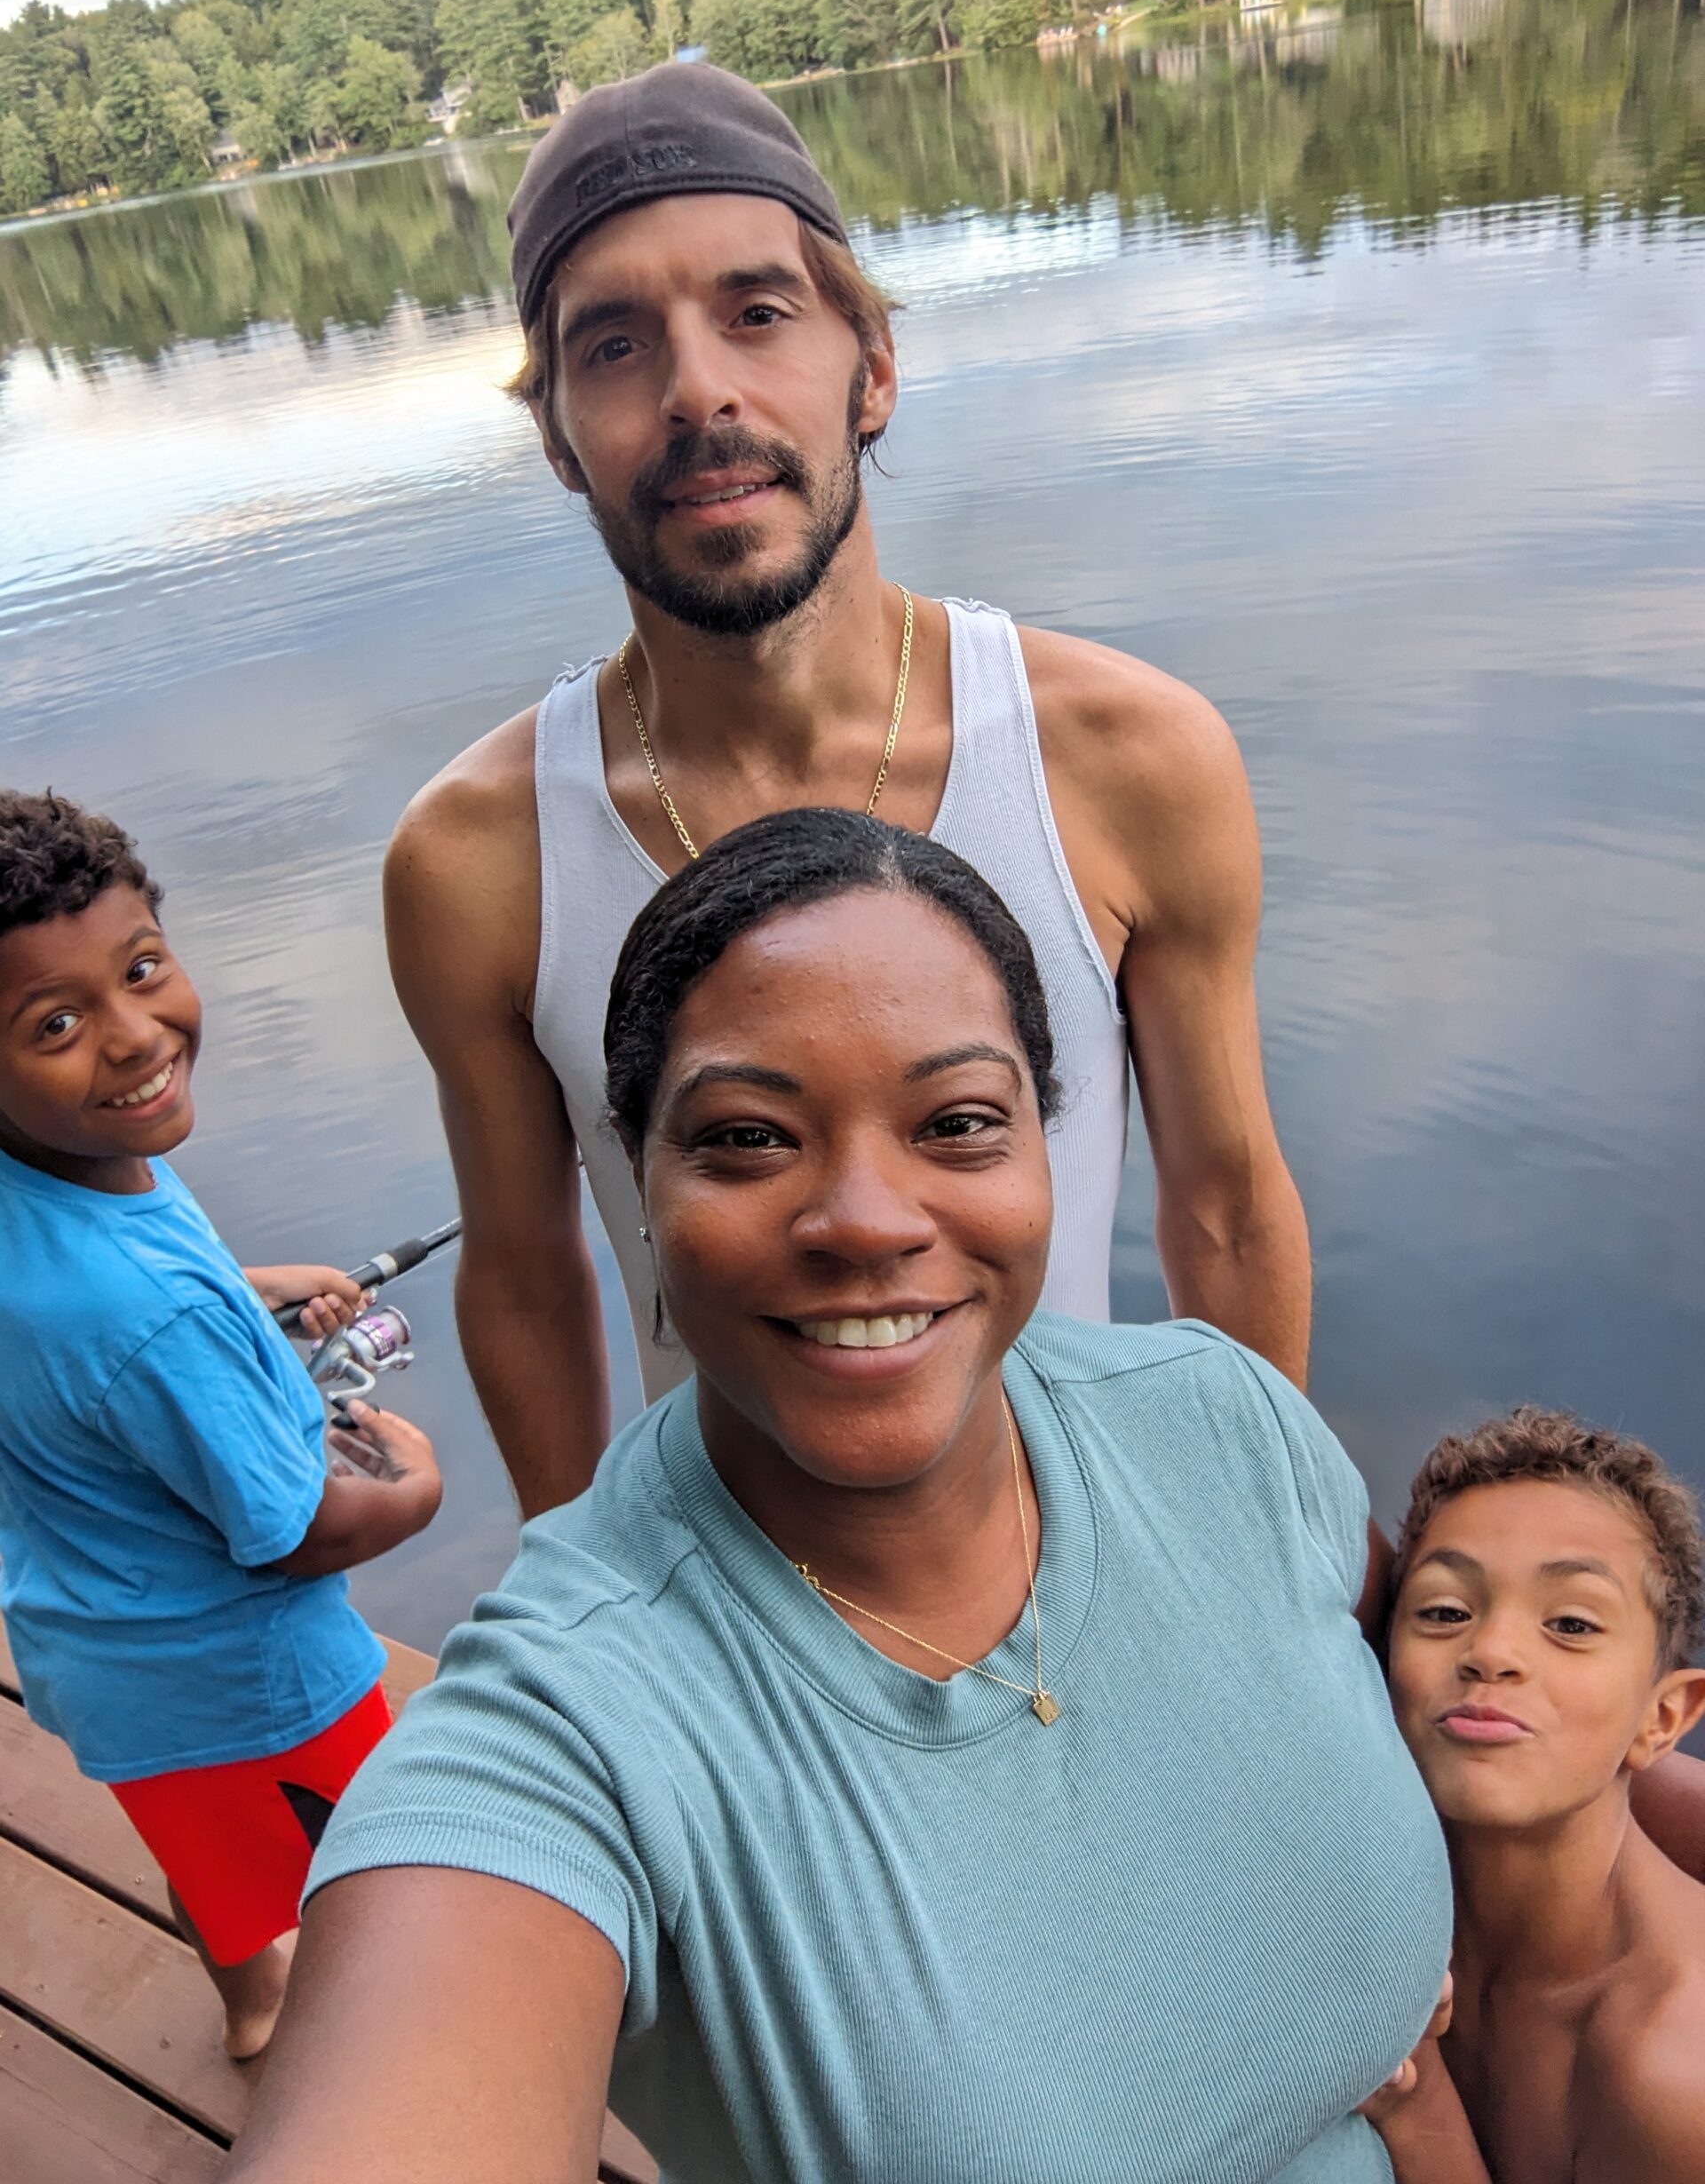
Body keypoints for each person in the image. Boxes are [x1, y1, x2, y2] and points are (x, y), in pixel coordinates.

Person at [227, 808, 1447, 2183]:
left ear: (1042, 1145)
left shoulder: (1219, 1422)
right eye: (750, 1137)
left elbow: (1470, 1702)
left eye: (958, 1123)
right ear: (639, 1174)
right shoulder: (575, 1726)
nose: (867, 1218)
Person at [385, 60, 1311, 1519]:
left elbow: (1227, 1208)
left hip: (1092, 1541)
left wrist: (1269, 1552)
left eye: (757, 313)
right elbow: (525, 1275)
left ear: (871, 365)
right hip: (726, 1587)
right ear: (557, 433)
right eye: (614, 345)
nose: (698, 390)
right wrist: (590, 1594)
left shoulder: (1127, 756)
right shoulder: (480, 858)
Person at [0, 791, 442, 2059]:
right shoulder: (150, 1314)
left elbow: (92, 1319)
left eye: (141, 968)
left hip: (104, 1657)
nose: (135, 1037)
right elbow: (294, 1533)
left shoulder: (60, 1175)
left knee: (215, 1858)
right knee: (384, 1865)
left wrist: (244, 1292)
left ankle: (254, 2007)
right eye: (57, 1023)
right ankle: (383, 2062)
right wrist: (412, 1490)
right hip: (256, 1685)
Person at [1376, 1411, 1705, 2184]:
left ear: (1663, 1719)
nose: (1491, 1651)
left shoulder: (1672, 2070)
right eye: (1445, 1611)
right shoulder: (1359, 1884)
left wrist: (1412, 2094)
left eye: (1571, 1624)